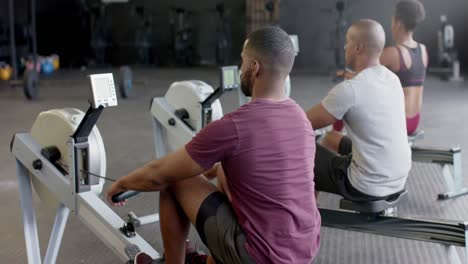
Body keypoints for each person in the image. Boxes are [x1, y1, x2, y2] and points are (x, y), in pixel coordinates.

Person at [107, 26, 321, 264]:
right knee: (224, 172)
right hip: (303, 250)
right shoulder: (301, 118)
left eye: (243, 61)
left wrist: (123, 183)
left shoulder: (236, 125)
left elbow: (159, 173)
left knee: (175, 178)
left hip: (260, 257)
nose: (241, 69)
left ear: (254, 67)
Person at [307, 19, 411, 201]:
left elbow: (301, 124)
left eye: (348, 41)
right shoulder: (392, 79)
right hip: (397, 178)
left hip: (367, 185)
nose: (345, 46)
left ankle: (306, 222)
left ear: (358, 48)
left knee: (304, 150)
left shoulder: (350, 89)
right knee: (330, 138)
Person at [335, 0, 428, 135]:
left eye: (392, 21)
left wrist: (345, 74)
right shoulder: (423, 50)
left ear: (398, 23)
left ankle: (333, 135)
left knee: (346, 94)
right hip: (414, 120)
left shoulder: (394, 53)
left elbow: (361, 78)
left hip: (400, 123)